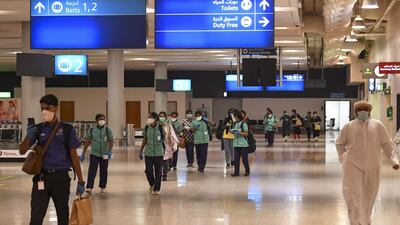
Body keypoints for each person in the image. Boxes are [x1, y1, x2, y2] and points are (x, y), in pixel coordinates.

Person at [19, 94, 84, 225]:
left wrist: (81, 181)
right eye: (42, 108)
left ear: (56, 108)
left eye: (48, 108)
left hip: (61, 178)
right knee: (36, 217)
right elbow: (22, 150)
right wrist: (28, 136)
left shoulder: (67, 129)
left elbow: (74, 156)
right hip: (41, 177)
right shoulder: (38, 128)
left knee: (62, 215)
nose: (44, 111)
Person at [336, 100, 399, 225]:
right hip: (352, 165)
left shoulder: (378, 125)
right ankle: (355, 222)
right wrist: (344, 158)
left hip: (372, 165)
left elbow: (387, 144)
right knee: (353, 195)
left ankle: (365, 220)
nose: (363, 112)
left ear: (370, 111)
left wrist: (394, 161)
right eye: (360, 109)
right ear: (355, 112)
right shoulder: (349, 126)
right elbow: (339, 143)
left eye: (365, 109)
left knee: (369, 195)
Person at [80, 114, 113, 194]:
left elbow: (111, 140)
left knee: (104, 170)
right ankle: (89, 187)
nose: (102, 121)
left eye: (103, 119)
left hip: (105, 154)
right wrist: (83, 153)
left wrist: (109, 151)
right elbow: (87, 141)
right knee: (92, 170)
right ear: (97, 121)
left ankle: (103, 186)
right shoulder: (92, 130)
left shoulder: (107, 129)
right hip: (94, 153)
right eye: (101, 119)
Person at [139, 113, 165, 195]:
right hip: (148, 153)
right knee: (148, 170)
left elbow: (164, 137)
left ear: (155, 119)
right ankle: (152, 184)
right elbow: (144, 140)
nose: (148, 119)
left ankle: (157, 189)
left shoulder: (160, 128)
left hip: (159, 153)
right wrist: (141, 150)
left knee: (158, 172)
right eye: (148, 117)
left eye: (150, 117)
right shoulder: (146, 128)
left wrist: (162, 140)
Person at [159, 111, 178, 181]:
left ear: (166, 117)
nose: (162, 118)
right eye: (160, 116)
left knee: (165, 161)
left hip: (167, 145)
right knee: (159, 161)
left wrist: (175, 144)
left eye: (163, 116)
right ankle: (159, 174)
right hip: (158, 145)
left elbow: (173, 134)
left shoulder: (168, 125)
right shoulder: (156, 125)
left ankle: (164, 175)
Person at [231, 109, 250, 177]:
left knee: (244, 159)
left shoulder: (243, 123)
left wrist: (239, 132)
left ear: (237, 116)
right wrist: (233, 132)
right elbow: (234, 132)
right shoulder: (235, 123)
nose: (234, 118)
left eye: (234, 116)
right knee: (236, 160)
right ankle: (236, 172)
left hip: (243, 145)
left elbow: (246, 133)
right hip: (236, 144)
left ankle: (247, 171)